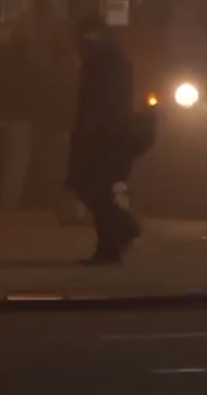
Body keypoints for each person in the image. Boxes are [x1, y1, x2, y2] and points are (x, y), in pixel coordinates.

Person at [66, 14, 142, 264]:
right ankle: (109, 246)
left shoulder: (99, 59)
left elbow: (95, 103)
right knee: (100, 189)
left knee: (91, 187)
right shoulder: (112, 56)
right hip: (112, 134)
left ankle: (122, 229)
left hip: (101, 137)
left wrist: (86, 136)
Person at [0, 14, 47, 210]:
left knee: (10, 157)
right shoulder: (31, 58)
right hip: (22, 114)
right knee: (18, 159)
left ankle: (8, 200)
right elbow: (38, 86)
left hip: (5, 113)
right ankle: (11, 202)